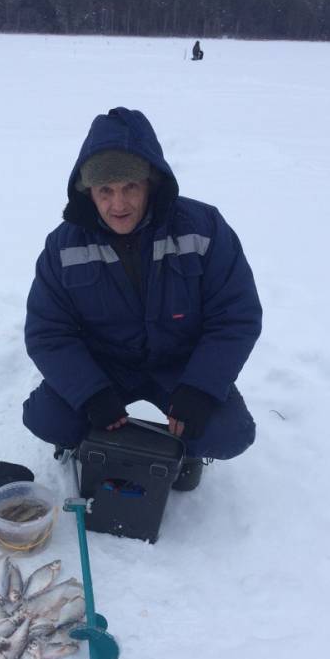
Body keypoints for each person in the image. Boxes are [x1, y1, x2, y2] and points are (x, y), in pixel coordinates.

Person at [23, 107, 261, 490]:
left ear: (151, 182)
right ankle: (98, 444)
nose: (119, 205)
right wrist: (90, 393)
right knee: (46, 418)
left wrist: (201, 387)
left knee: (230, 432)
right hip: (106, 368)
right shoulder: (62, 246)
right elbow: (48, 333)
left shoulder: (205, 228)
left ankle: (183, 453)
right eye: (106, 190)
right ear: (89, 191)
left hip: (179, 367)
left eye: (130, 187)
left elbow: (236, 317)